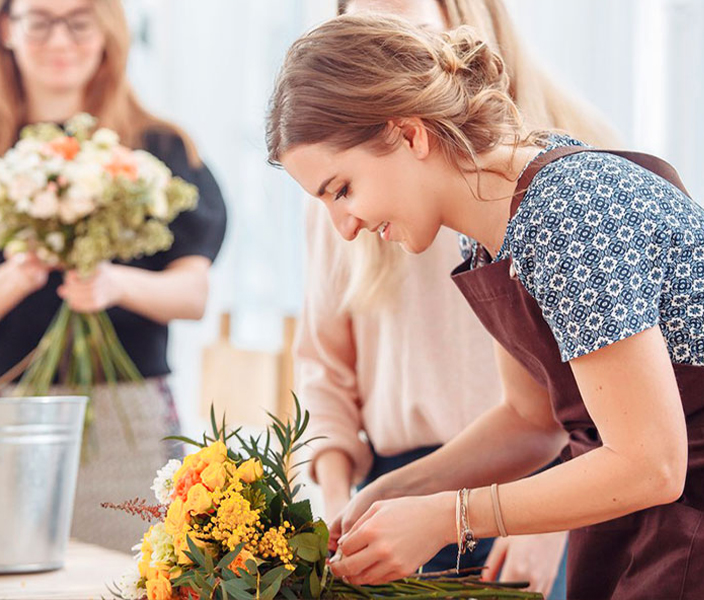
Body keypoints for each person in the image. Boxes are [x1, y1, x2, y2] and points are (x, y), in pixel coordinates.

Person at [268, 14, 704, 599]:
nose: (344, 229)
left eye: (342, 190)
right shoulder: (493, 225)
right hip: (649, 522)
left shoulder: (571, 211)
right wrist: (392, 492)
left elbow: (650, 463)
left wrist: (448, 516)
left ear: (410, 135)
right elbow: (531, 423)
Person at [0, 0, 227, 551]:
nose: (60, 41)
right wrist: (19, 273)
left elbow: (193, 293)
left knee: (140, 574)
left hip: (130, 415)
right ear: (7, 29)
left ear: (107, 31)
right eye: (40, 20)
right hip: (11, 414)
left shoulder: (161, 150)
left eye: (79, 21)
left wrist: (115, 284)